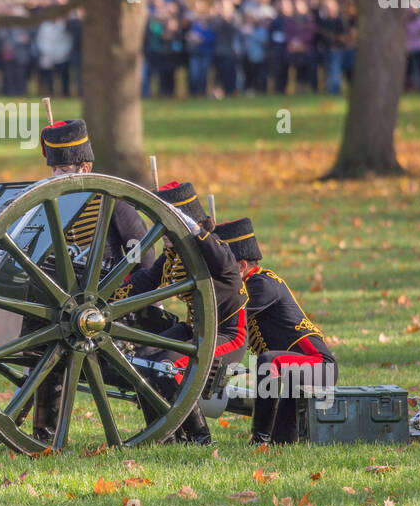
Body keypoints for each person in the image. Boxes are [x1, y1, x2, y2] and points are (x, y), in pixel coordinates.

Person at [28, 119, 151, 444]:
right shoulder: (46, 203)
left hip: (105, 305)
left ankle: (45, 435)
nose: (57, 177)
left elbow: (144, 262)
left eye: (64, 168)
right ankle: (44, 435)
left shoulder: (110, 203)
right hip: (58, 300)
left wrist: (127, 304)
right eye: (53, 170)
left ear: (86, 166)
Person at [114, 181, 249, 445]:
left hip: (227, 334)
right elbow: (144, 282)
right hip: (194, 327)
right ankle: (164, 434)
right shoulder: (175, 254)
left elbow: (222, 261)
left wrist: (193, 228)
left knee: (165, 366)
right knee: (140, 362)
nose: (163, 234)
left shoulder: (214, 250)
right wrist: (107, 296)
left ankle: (200, 436)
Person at [215, 218, 335, 445]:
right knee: (283, 442)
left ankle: (259, 439)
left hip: (318, 366)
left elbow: (224, 317)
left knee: (268, 361)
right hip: (292, 374)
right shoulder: (249, 284)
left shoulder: (261, 285)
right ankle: (269, 440)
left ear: (241, 267)